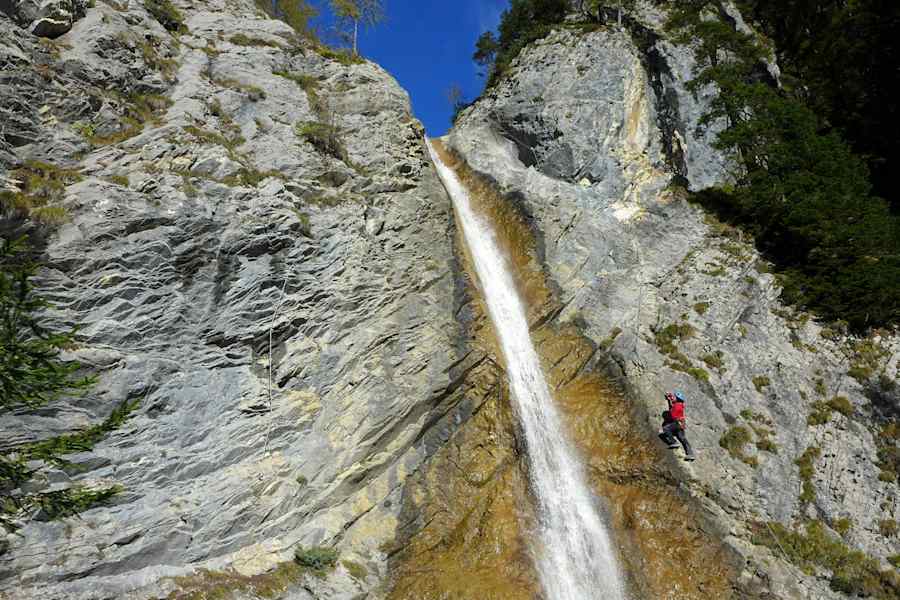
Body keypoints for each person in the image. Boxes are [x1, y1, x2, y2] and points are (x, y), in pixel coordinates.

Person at [659, 390, 695, 461]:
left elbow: (672, 415)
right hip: (681, 424)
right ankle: (690, 454)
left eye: (675, 396)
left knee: (666, 428)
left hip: (677, 423)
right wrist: (669, 396)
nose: (674, 397)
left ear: (677, 398)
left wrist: (669, 413)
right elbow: (673, 401)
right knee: (682, 438)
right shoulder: (679, 404)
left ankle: (674, 442)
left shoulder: (677, 406)